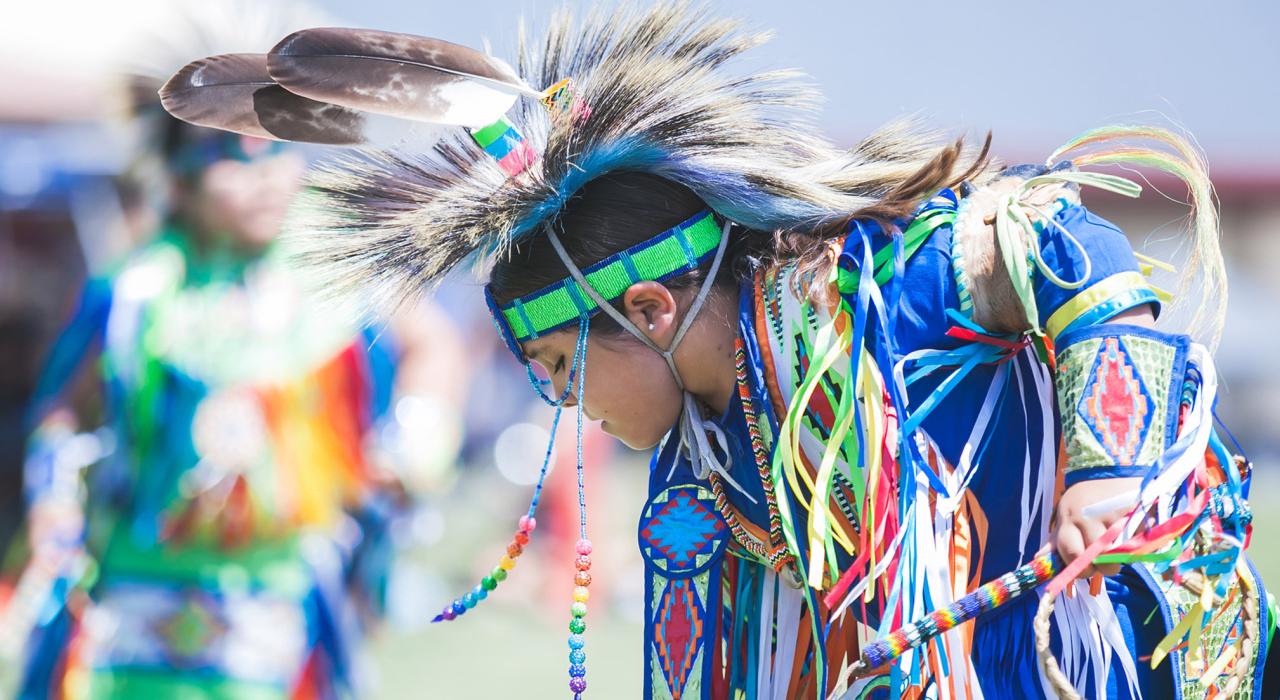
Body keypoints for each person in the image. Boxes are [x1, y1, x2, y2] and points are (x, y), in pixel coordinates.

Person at [161, 4, 1276, 698]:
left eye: (558, 367)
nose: (562, 405)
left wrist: (1105, 471)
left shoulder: (916, 278)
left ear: (646, 308)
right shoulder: (702, 480)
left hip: (1131, 658)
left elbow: (1069, 252)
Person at [12, 2, 467, 697]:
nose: (265, 181)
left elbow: (436, 349)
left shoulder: (334, 262)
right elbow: (63, 412)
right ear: (182, 182)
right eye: (233, 164)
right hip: (137, 593)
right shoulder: (137, 290)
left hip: (282, 593)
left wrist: (415, 443)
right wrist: (55, 494)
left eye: (279, 156)